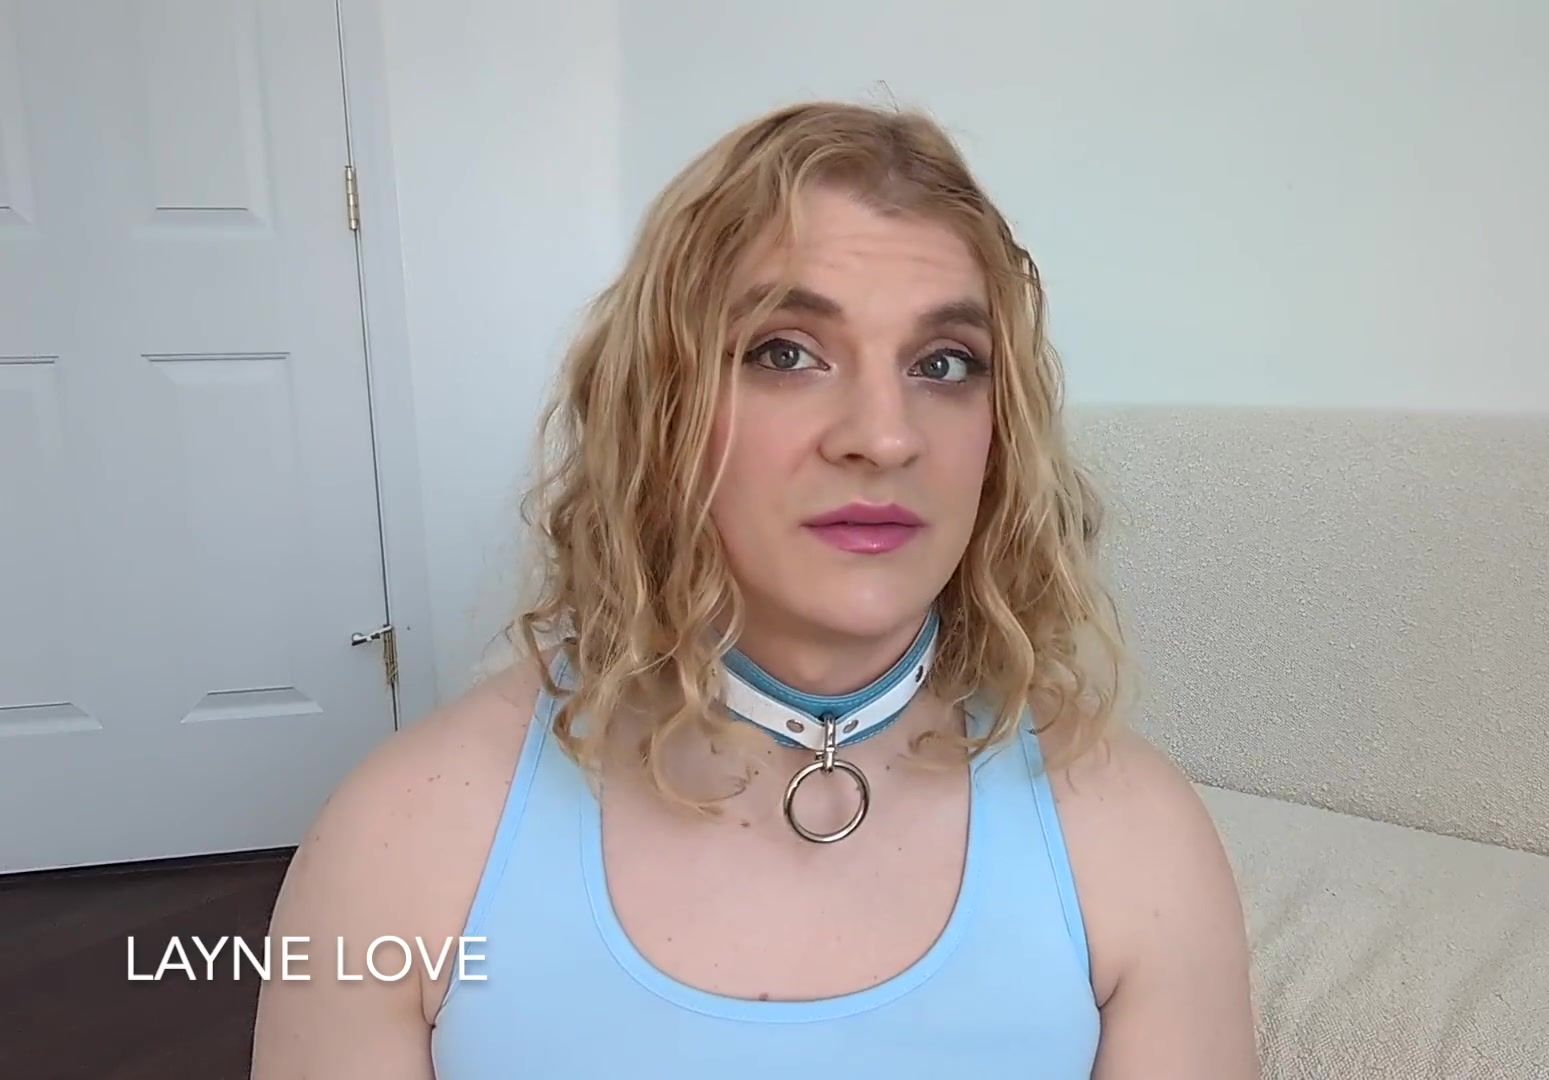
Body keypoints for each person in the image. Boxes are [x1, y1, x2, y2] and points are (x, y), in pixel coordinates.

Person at [251, 101, 1258, 1078]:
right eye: (787, 353)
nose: (885, 436)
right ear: (662, 407)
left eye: (945, 363)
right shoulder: (402, 835)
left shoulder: (1135, 837)